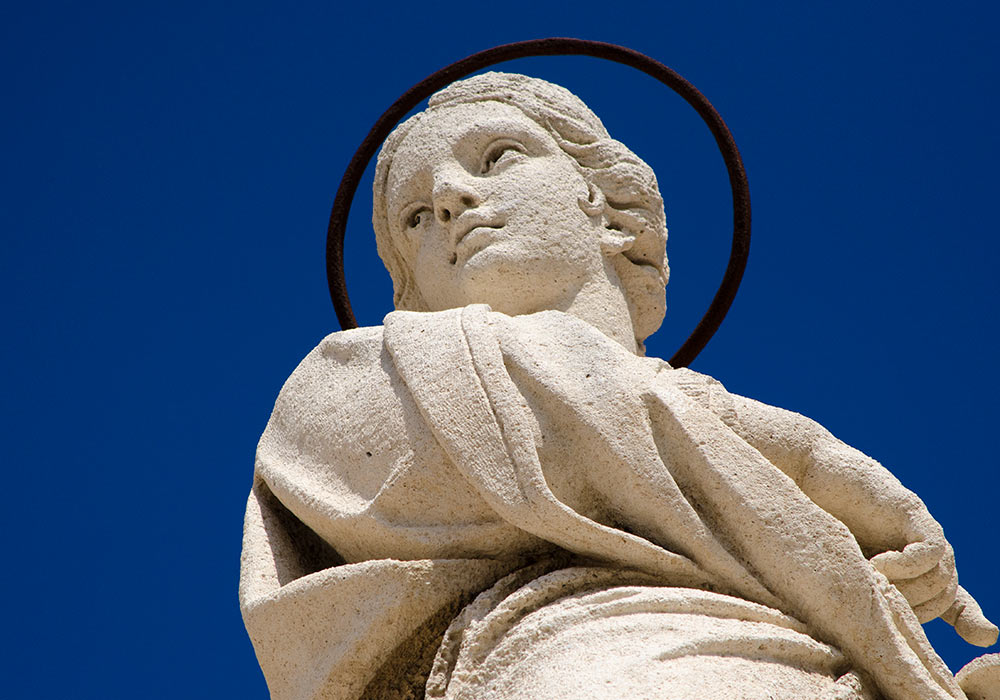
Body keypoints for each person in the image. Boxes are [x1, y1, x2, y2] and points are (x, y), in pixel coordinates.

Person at [240, 72, 996, 700]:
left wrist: (875, 585)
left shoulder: (718, 418)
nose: (448, 201)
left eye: (497, 157)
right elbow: (580, 425)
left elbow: (638, 414)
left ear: (600, 203)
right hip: (591, 653)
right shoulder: (365, 376)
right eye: (412, 217)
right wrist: (817, 483)